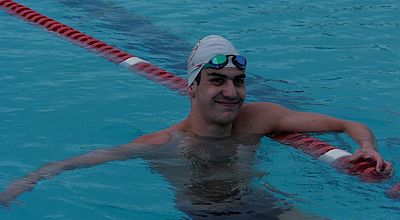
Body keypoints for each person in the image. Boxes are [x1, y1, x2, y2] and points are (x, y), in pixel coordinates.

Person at [0, 35, 393, 218]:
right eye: (217, 80)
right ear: (192, 87)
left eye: (238, 81)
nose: (231, 92)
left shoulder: (259, 118)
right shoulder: (164, 143)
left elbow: (348, 122)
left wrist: (368, 147)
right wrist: (25, 182)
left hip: (261, 205)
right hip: (207, 213)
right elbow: (73, 164)